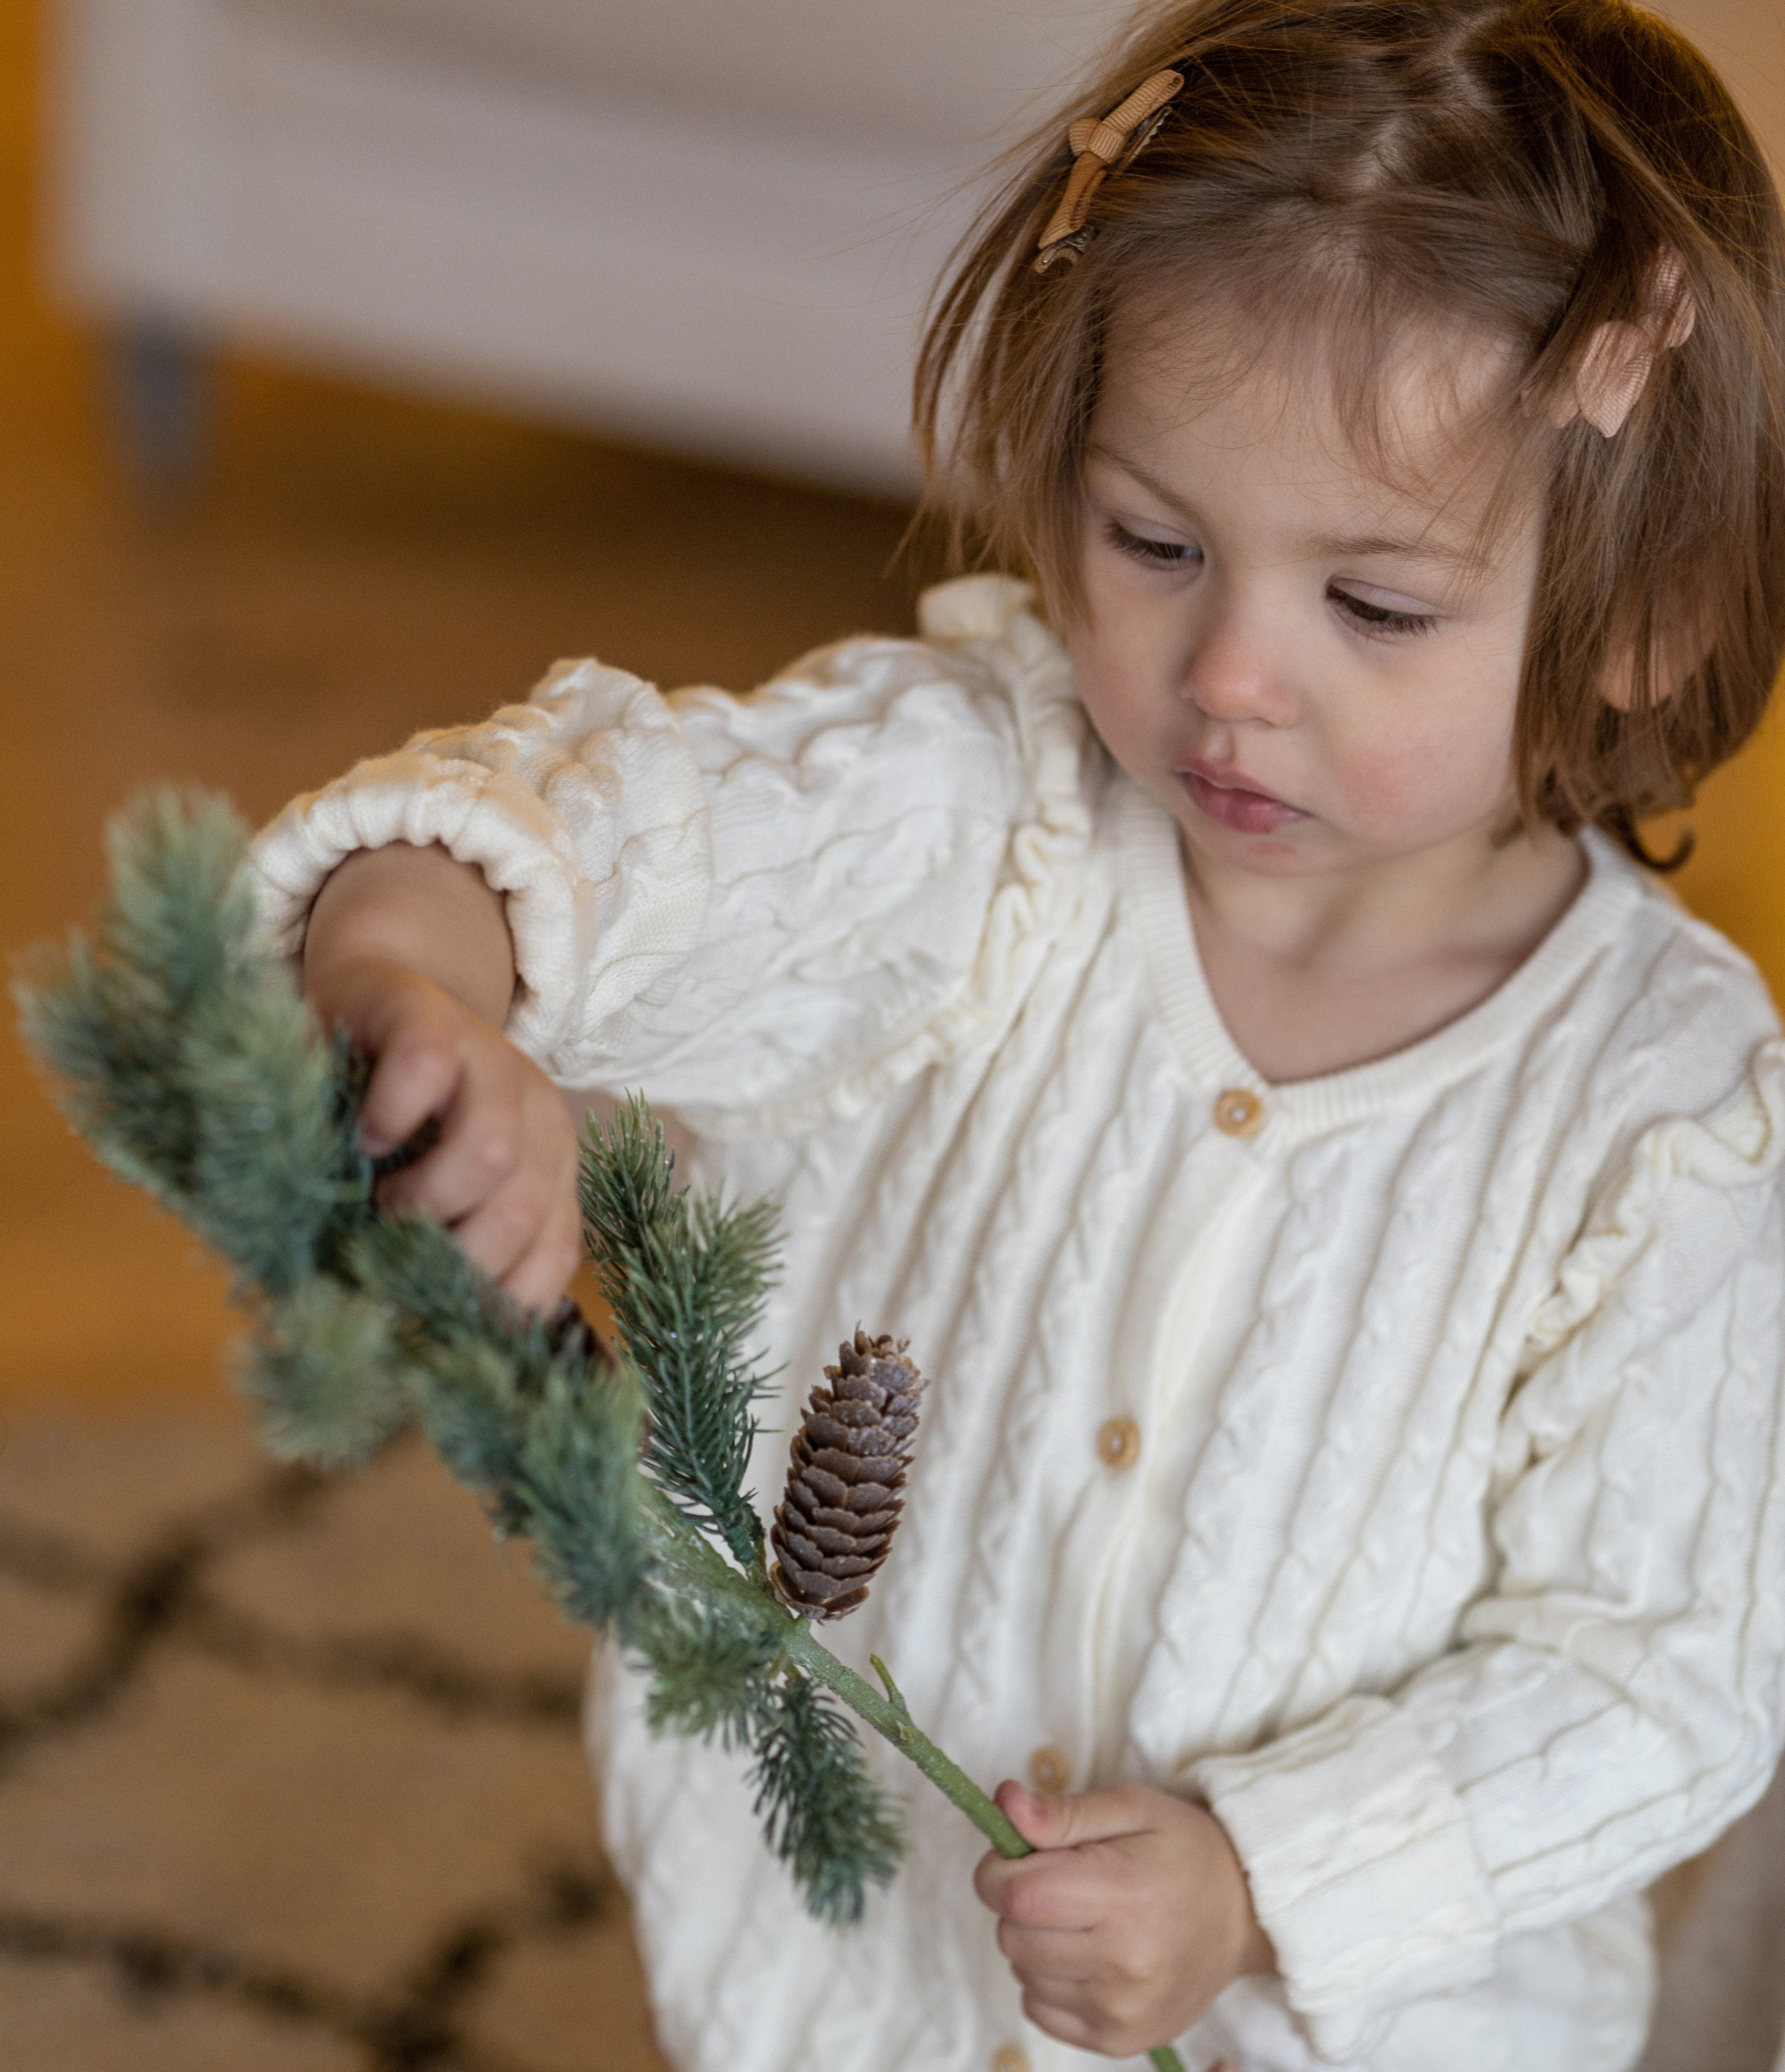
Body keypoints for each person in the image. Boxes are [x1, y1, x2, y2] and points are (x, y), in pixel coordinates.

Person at [251, 3, 1785, 2066]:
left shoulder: (1669, 1121)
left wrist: (1261, 1877)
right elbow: (623, 822)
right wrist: (429, 982)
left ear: (1657, 610)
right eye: (1156, 542)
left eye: (1378, 607)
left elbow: (1663, 1670)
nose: (1230, 669)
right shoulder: (971, 808)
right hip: (850, 1978)